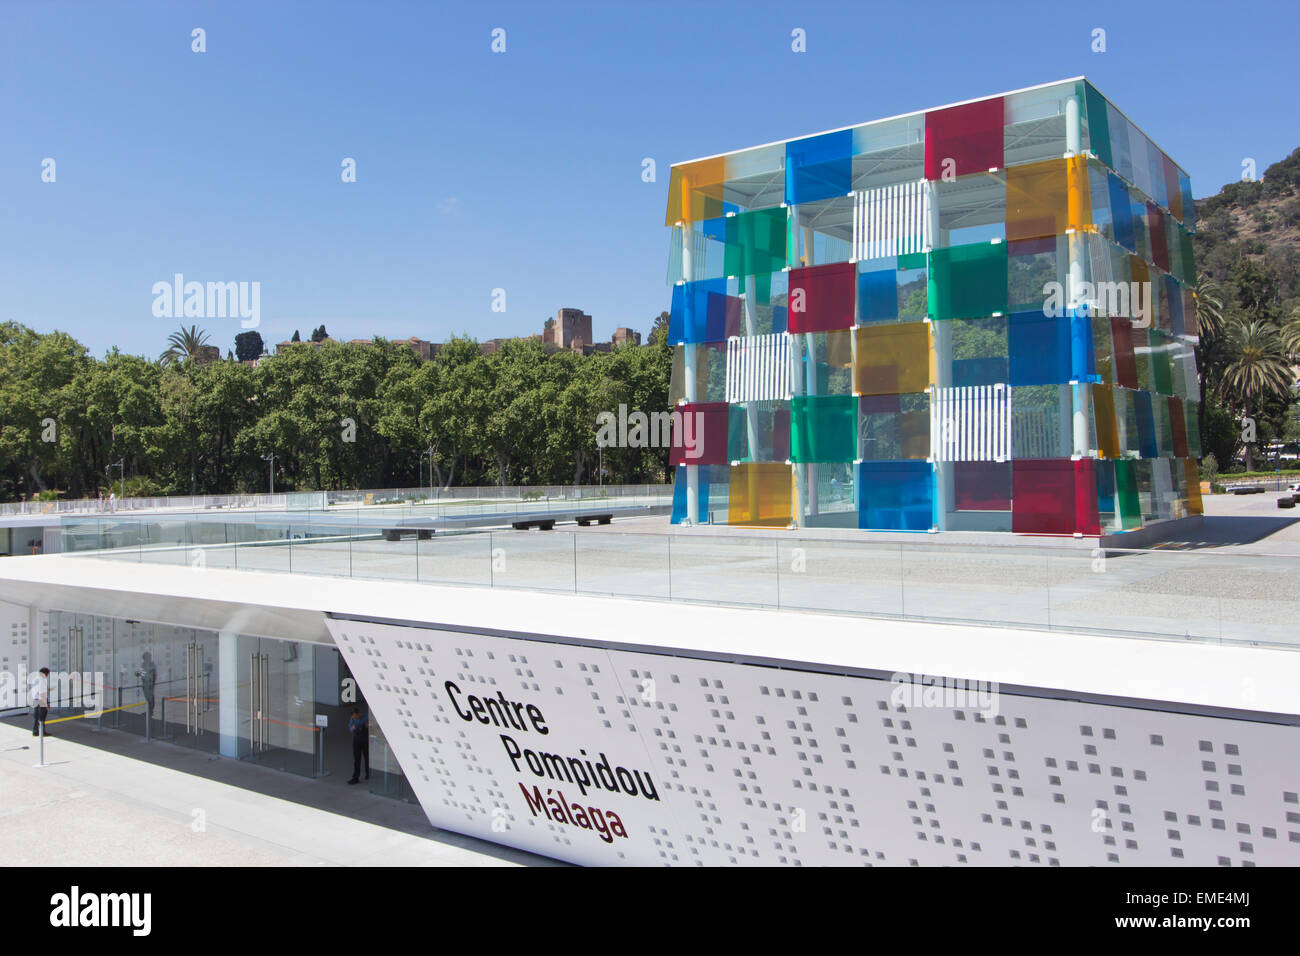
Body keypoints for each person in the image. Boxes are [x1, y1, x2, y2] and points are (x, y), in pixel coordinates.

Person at [347, 708, 370, 784]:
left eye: (356, 717)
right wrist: (353, 728)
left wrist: (368, 726)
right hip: (357, 740)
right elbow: (350, 728)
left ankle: (368, 773)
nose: (355, 718)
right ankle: (356, 777)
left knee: (367, 758)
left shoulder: (366, 717)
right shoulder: (352, 719)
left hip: (365, 740)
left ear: (359, 713)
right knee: (357, 759)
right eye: (354, 717)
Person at [136, 652, 156, 722]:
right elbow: (140, 673)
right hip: (144, 684)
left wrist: (152, 684)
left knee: (150, 698)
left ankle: (151, 711)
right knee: (147, 698)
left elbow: (154, 674)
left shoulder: (151, 664)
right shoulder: (143, 664)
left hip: (149, 684)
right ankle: (149, 711)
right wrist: (138, 673)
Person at [29, 667, 50, 737]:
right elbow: (42, 694)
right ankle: (42, 732)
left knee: (36, 717)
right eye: (47, 674)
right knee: (42, 718)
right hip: (41, 701)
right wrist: (46, 704)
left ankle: (35, 732)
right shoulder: (42, 681)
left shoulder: (35, 679)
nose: (47, 676)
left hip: (35, 699)